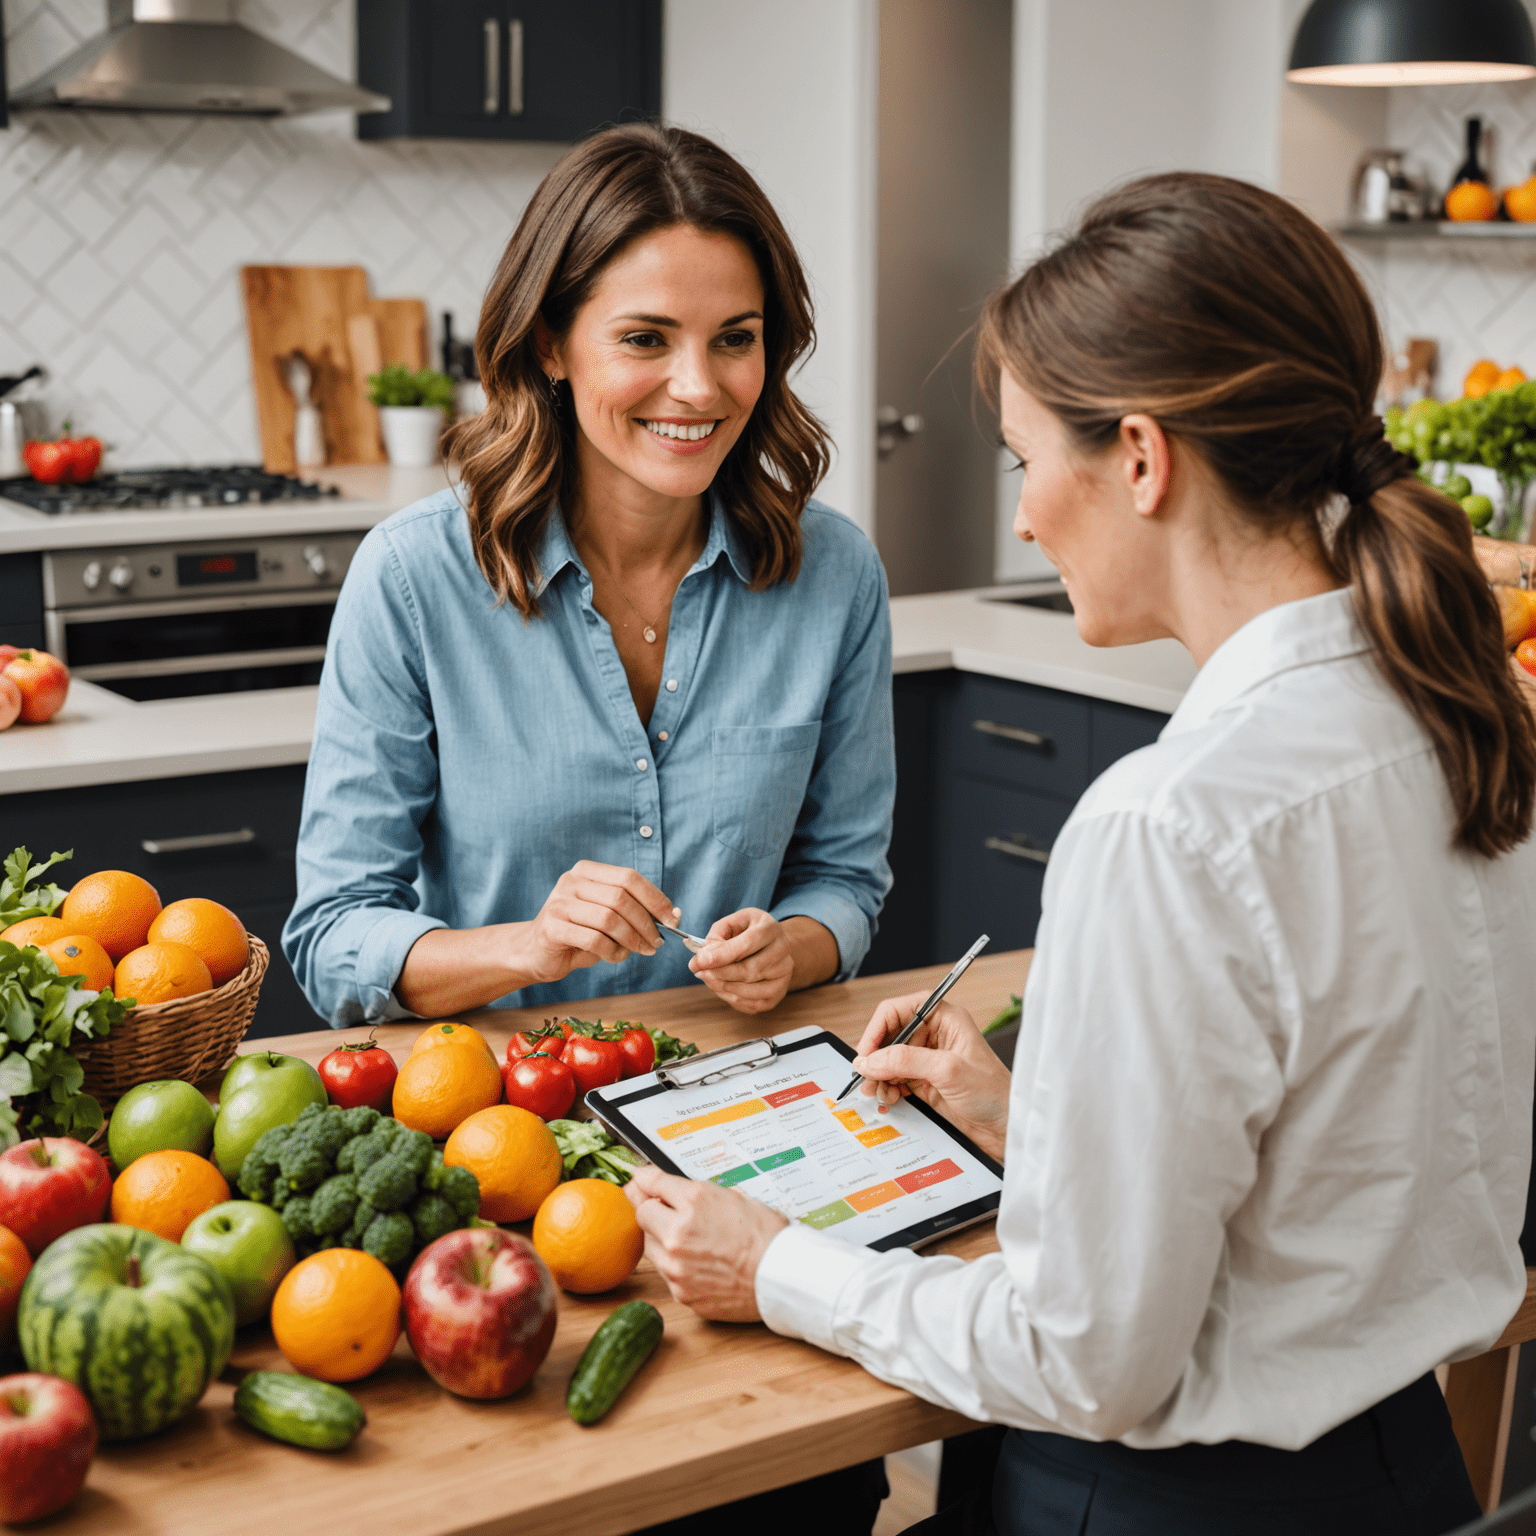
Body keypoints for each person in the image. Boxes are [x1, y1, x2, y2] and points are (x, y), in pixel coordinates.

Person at [624, 171, 1536, 1534]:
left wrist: (780, 1268)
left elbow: (1085, 1358)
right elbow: (1334, 1164)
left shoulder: (1171, 822)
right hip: (1405, 1480)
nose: (1027, 517)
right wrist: (1035, 1126)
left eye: (1025, 460)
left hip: (1166, 1507)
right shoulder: (1464, 720)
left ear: (1145, 460)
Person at [283, 124, 894, 1029]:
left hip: (726, 1092)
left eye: (736, 338)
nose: (698, 387)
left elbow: (844, 879)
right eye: (645, 338)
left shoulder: (835, 574)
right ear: (549, 346)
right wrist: (526, 946)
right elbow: (332, 937)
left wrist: (789, 950)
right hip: (495, 1110)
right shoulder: (413, 577)